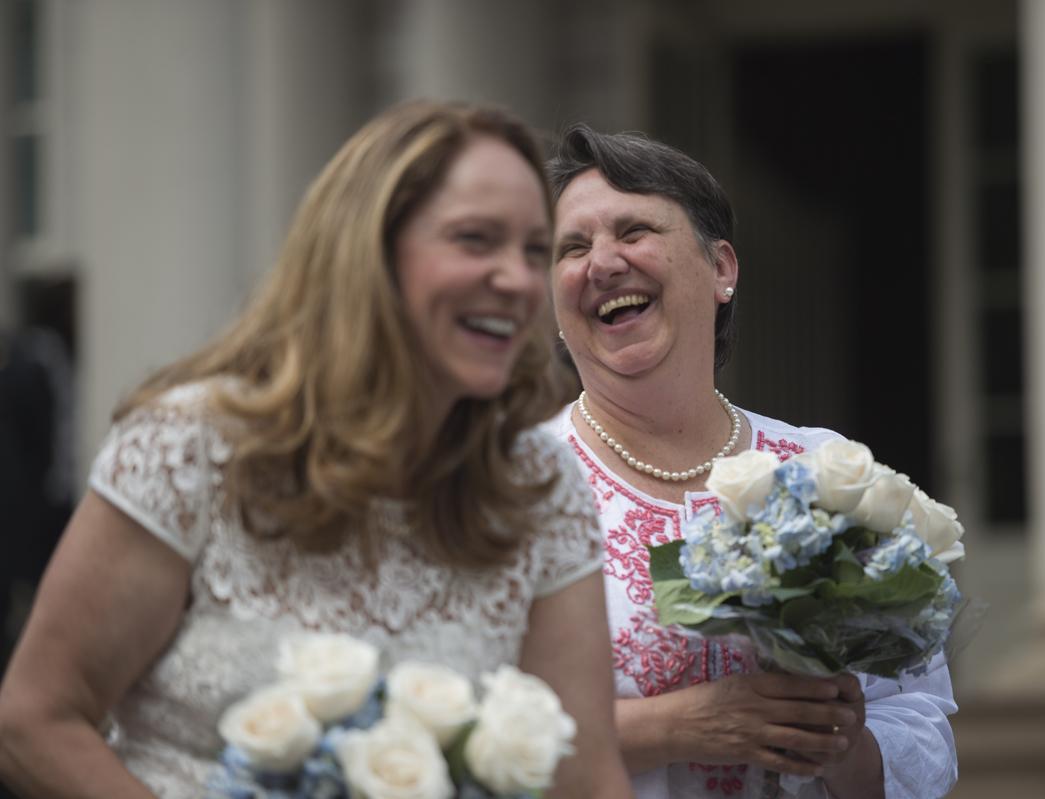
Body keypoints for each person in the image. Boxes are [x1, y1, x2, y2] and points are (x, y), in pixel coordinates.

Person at [0, 101, 633, 799]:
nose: (516, 279)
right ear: (368, 253)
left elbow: (586, 779)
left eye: (535, 251)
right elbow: (33, 720)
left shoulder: (538, 487)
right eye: (475, 240)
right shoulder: (191, 449)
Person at [542, 124, 958, 799]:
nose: (603, 262)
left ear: (722, 270)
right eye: (573, 247)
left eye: (634, 231)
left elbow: (922, 728)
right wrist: (676, 726)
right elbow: (464, 731)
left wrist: (836, 743)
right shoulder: (511, 486)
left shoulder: (825, 471)